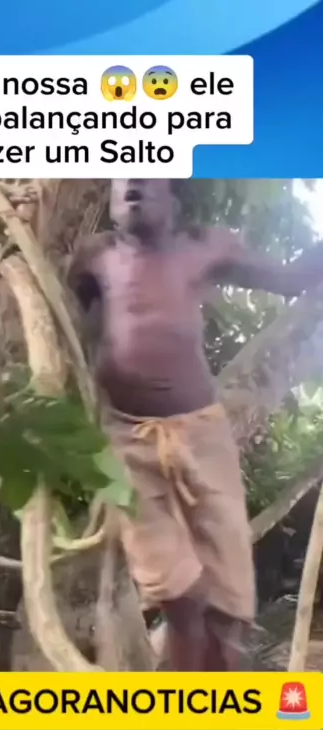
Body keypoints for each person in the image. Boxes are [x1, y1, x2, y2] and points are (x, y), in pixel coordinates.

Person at [68, 178, 323, 673]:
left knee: (228, 607)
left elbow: (290, 278)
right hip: (126, 442)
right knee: (179, 596)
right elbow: (66, 316)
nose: (134, 183)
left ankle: (211, 698)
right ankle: (184, 696)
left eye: (148, 176)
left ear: (174, 199)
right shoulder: (95, 256)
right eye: (124, 180)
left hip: (202, 436)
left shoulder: (203, 246)